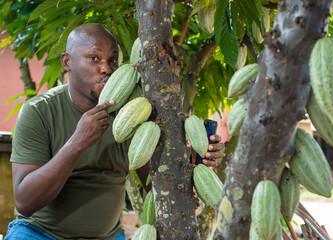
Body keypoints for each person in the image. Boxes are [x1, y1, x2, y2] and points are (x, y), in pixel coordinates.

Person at [5, 23, 225, 240]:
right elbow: (25, 202)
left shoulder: (132, 114)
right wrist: (77, 143)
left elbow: (156, 184)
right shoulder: (39, 111)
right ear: (67, 62)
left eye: (112, 60)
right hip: (38, 233)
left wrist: (195, 161)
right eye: (94, 58)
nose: (106, 68)